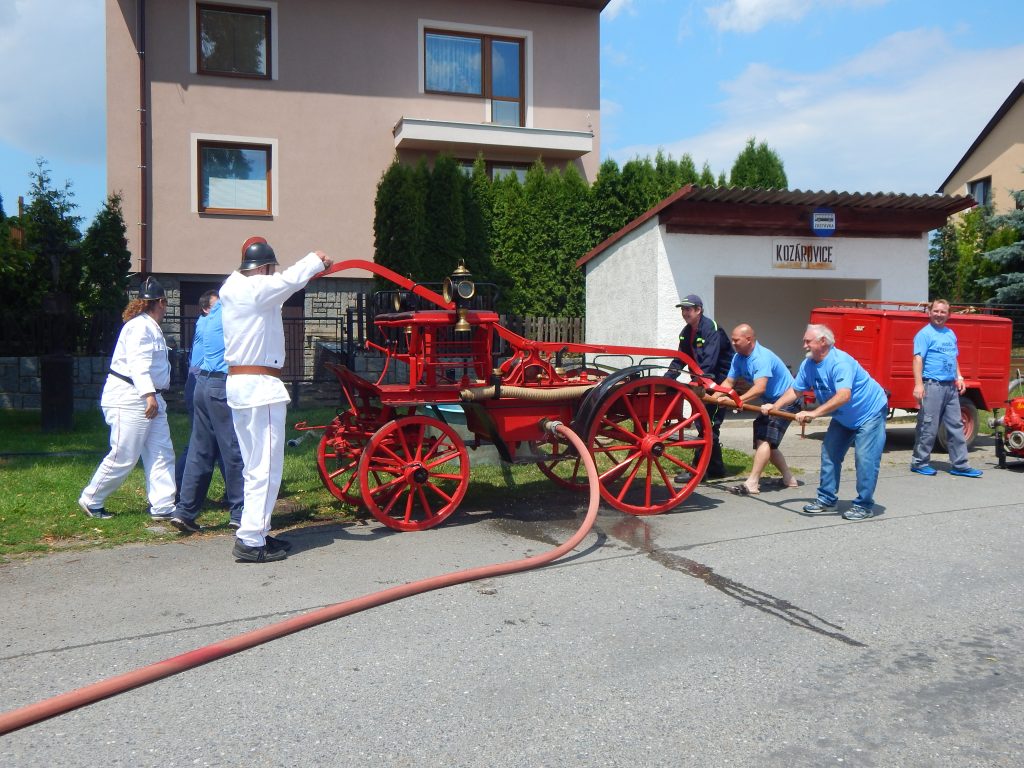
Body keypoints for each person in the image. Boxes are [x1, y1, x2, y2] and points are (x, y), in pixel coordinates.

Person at [221, 237, 332, 562]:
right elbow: (287, 281)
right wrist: (315, 260)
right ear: (264, 269)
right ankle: (251, 540)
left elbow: (281, 289)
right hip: (260, 387)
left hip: (242, 385)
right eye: (271, 269)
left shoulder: (235, 289)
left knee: (255, 467)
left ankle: (255, 531)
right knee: (266, 469)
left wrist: (312, 270)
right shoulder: (255, 289)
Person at [763, 324, 889, 521]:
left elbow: (844, 395)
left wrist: (814, 413)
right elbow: (795, 390)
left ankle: (864, 505)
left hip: (869, 412)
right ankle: (827, 500)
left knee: (865, 459)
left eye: (808, 341)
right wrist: (775, 407)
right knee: (829, 453)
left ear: (823, 341)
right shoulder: (809, 364)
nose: (804, 345)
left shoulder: (839, 362)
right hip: (843, 416)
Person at [79, 277, 176, 520]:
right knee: (125, 454)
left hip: (151, 397)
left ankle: (163, 505)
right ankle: (92, 499)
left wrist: (153, 396)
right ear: (161, 302)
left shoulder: (149, 326)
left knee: (161, 451)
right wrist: (148, 395)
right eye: (165, 303)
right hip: (131, 397)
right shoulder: (139, 327)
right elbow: (137, 364)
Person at [170, 288, 246, 533]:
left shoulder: (206, 318)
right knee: (232, 448)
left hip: (201, 383)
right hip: (220, 383)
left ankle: (185, 511)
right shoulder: (229, 311)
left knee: (199, 450)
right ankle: (240, 513)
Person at [710, 324, 799, 495]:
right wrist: (713, 398)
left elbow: (760, 388)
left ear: (749, 339)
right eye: (732, 340)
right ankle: (789, 478)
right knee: (766, 442)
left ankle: (752, 483)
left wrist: (736, 401)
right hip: (769, 402)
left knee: (764, 439)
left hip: (787, 399)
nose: (733, 343)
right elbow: (729, 382)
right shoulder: (738, 358)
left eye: (736, 340)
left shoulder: (760, 357)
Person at [910, 299, 983, 478]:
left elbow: (953, 357)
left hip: (950, 387)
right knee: (928, 425)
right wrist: (919, 384)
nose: (939, 315)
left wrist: (959, 377)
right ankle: (919, 462)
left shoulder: (950, 334)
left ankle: (960, 465)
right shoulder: (924, 334)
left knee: (956, 425)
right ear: (929, 313)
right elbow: (917, 359)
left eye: (943, 312)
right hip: (932, 385)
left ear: (948, 315)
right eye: (936, 311)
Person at [666, 294, 734, 479]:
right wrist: (666, 380)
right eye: (683, 309)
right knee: (707, 424)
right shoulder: (686, 332)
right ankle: (717, 469)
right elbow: (680, 359)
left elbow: (709, 363)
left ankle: (698, 469)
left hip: (719, 382)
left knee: (708, 424)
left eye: (688, 309)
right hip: (703, 381)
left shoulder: (711, 329)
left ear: (698, 310)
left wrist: (699, 381)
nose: (684, 313)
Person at [175, 290, 222, 498]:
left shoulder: (208, 322)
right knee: (201, 441)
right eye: (217, 306)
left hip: (203, 381)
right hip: (200, 382)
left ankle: (234, 493)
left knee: (216, 440)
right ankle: (179, 487)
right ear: (205, 309)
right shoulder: (206, 324)